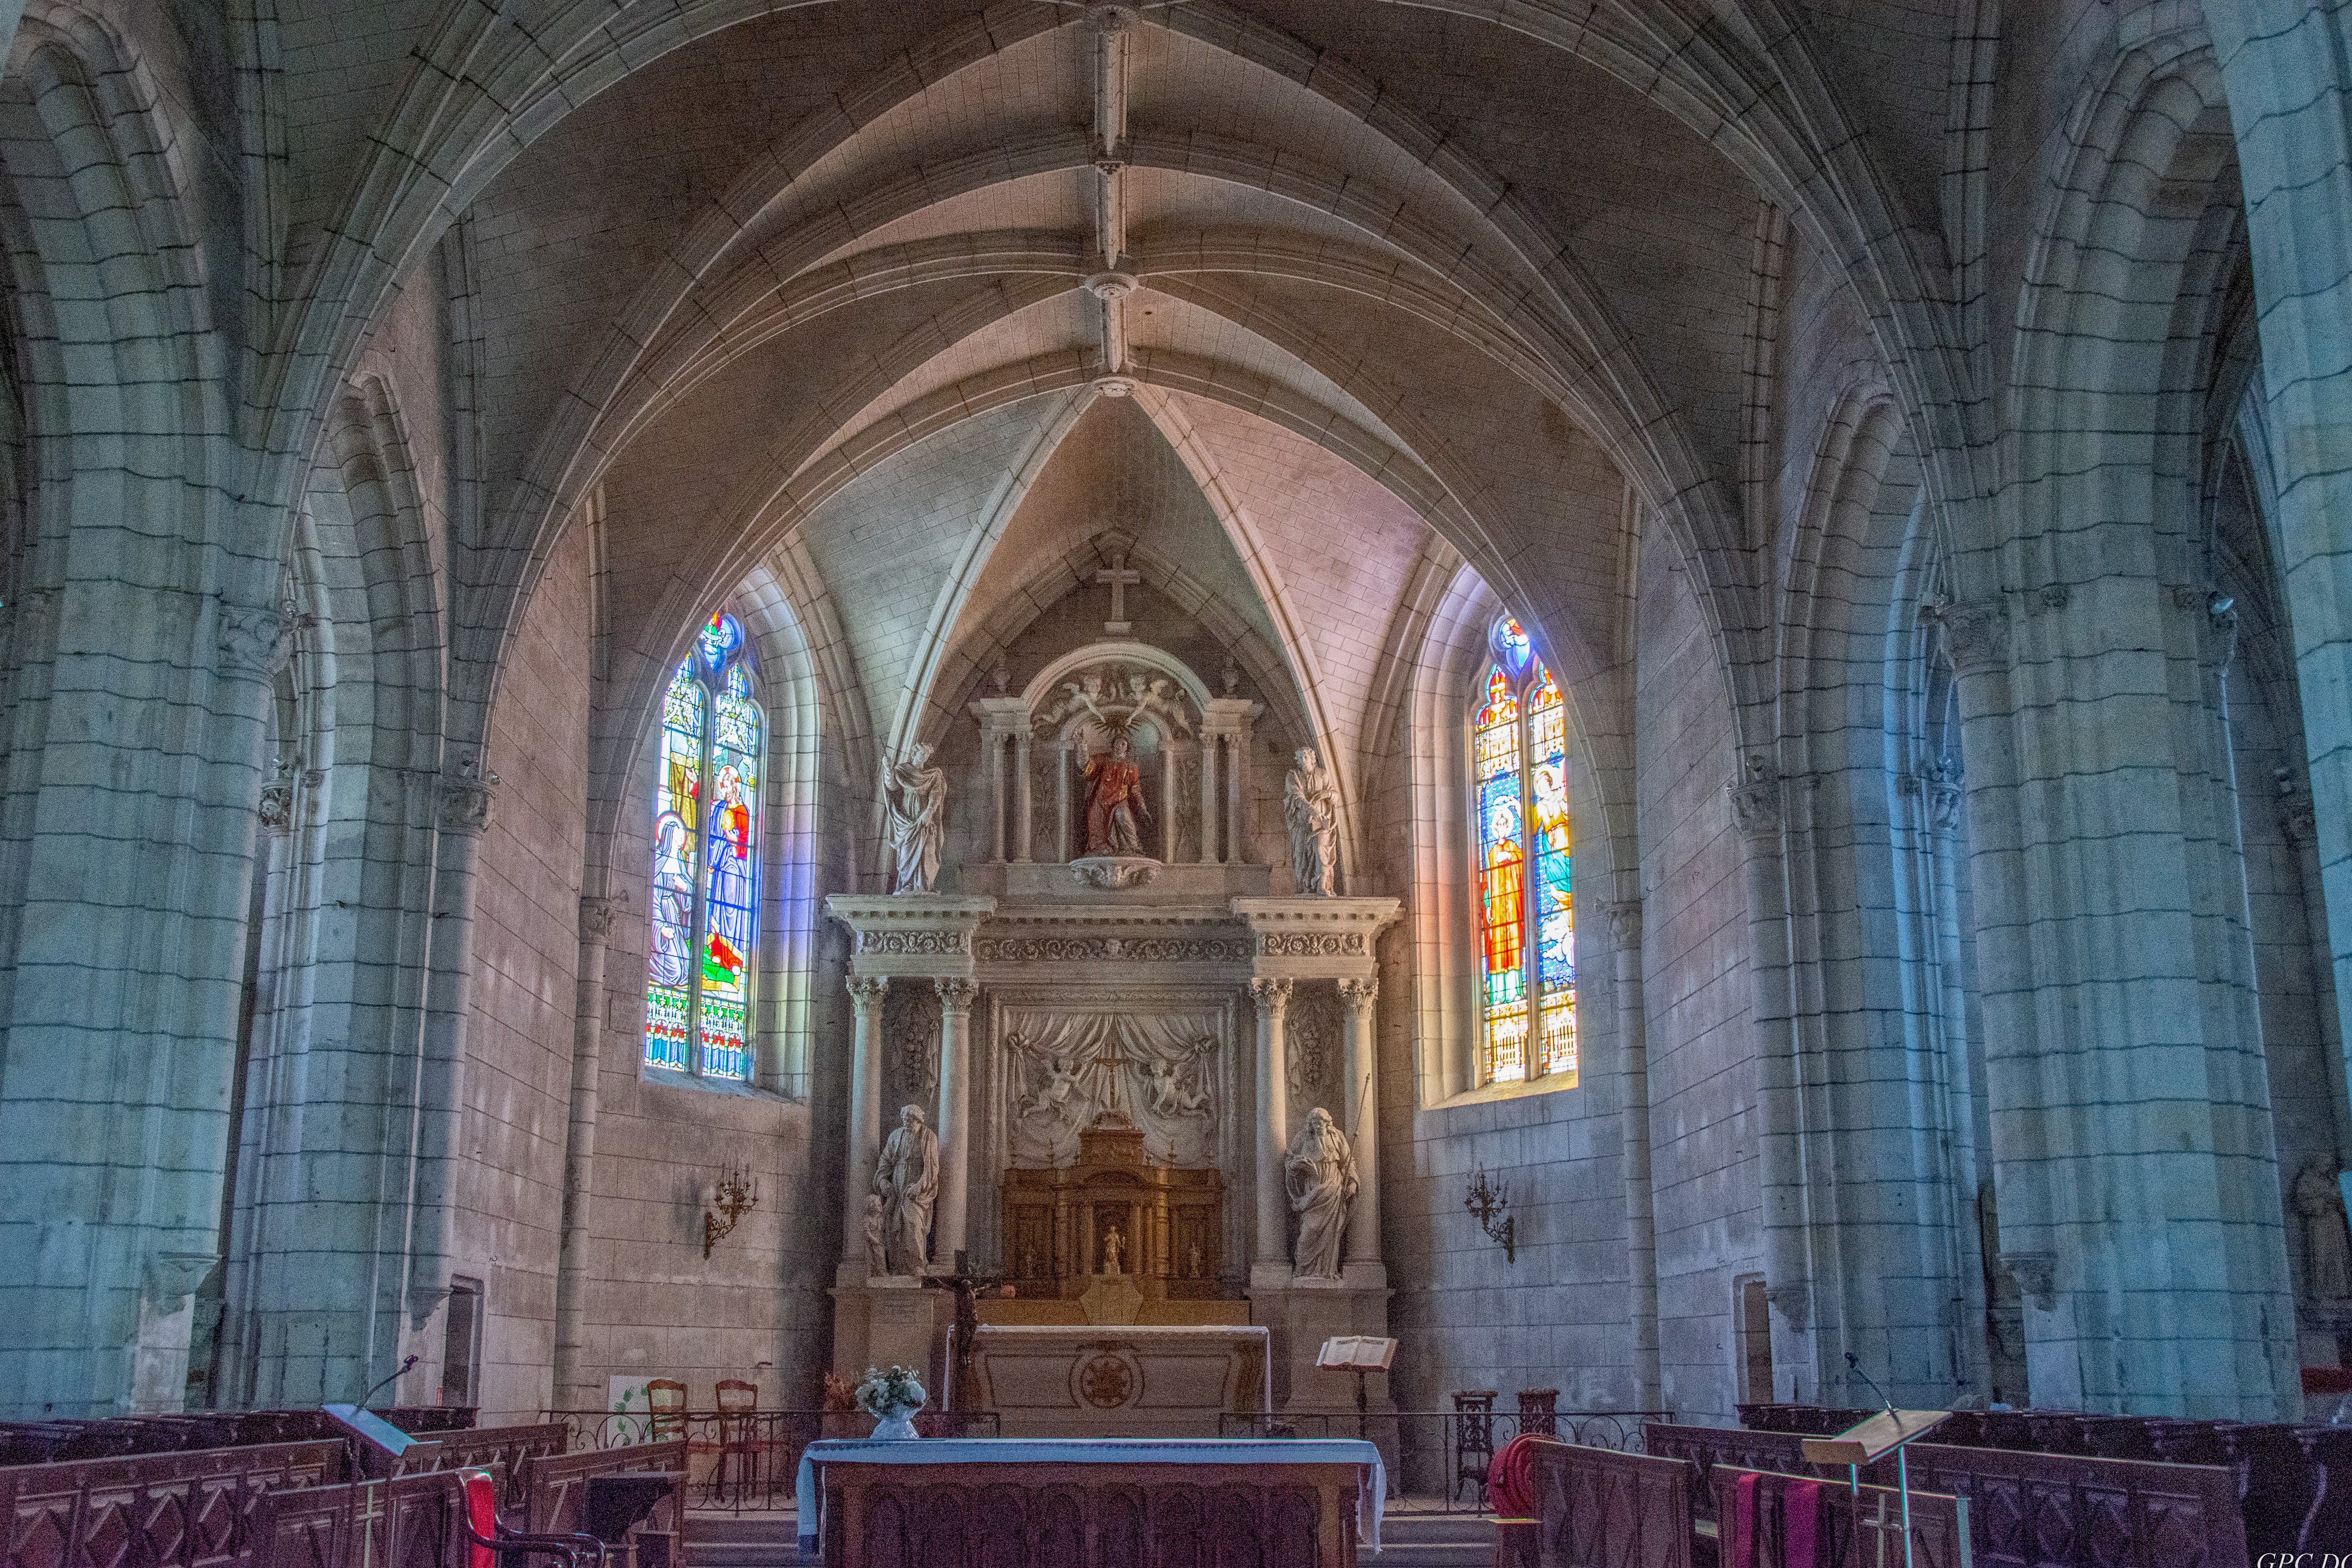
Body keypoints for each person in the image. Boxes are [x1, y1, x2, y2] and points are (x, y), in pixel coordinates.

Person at [1286, 1106, 1358, 1280]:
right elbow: (1289, 1159)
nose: (1319, 1126)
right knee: (1308, 1232)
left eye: (1322, 1122)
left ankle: (1328, 1271)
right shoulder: (1303, 1138)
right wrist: (1294, 1166)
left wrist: (1353, 1184)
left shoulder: (1337, 1137)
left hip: (1333, 1187)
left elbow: (1349, 1162)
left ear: (1327, 1123)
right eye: (1315, 1123)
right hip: (1312, 1190)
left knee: (1332, 1231)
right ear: (1310, 1124)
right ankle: (1304, 1271)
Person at [874, 1104, 942, 1273]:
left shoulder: (929, 1137)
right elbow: (885, 1161)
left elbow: (932, 1169)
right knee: (893, 1229)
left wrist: (919, 1187)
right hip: (896, 1188)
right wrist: (883, 1181)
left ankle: (917, 1266)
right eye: (905, 1120)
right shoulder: (896, 1136)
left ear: (919, 1121)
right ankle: (898, 1269)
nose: (907, 1123)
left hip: (917, 1192)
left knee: (913, 1224)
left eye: (911, 1120)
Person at [882, 742, 949, 892]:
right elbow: (892, 786)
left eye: (926, 756)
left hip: (924, 820)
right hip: (907, 822)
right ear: (914, 754)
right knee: (906, 854)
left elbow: (936, 794)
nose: (924, 758)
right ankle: (908, 884)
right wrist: (887, 769)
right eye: (922, 754)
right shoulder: (903, 771)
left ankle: (925, 884)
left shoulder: (933, 775)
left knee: (928, 851)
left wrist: (929, 812)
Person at [1283, 746, 1343, 894]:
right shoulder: (1294, 776)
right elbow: (1296, 797)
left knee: (1320, 850)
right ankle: (1305, 887)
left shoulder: (1323, 775)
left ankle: (1322, 884)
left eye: (1306, 757)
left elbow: (1336, 797)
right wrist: (1312, 810)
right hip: (1302, 824)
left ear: (1312, 758)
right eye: (1300, 758)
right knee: (1301, 859)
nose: (1303, 760)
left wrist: (1326, 794)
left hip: (1321, 821)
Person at [1081, 732, 1152, 856]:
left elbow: (1136, 791)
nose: (1119, 746)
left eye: (1123, 744)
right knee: (1098, 838)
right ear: (1112, 745)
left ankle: (1133, 848)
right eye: (1117, 743)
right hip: (1100, 804)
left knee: (1123, 815)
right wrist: (1082, 747)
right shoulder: (1103, 760)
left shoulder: (1131, 767)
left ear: (1127, 747)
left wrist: (1143, 809)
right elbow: (1087, 767)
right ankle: (1101, 850)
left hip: (1119, 803)